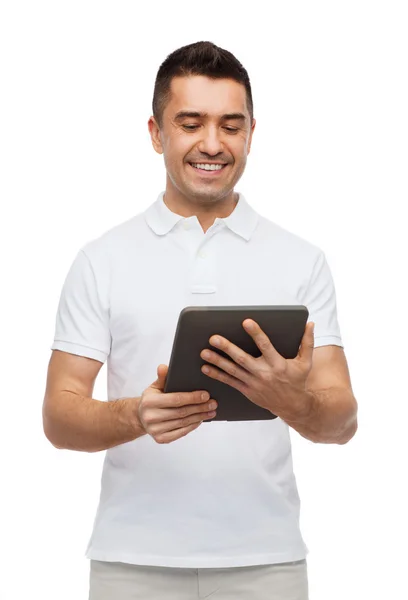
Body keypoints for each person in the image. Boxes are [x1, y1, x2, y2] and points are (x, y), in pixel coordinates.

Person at [42, 41, 358, 600]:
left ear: (251, 133)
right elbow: (59, 417)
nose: (212, 144)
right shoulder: (102, 259)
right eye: (191, 123)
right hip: (131, 564)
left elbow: (343, 421)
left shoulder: (301, 260)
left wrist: (294, 402)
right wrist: (136, 414)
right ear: (156, 133)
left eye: (230, 126)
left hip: (268, 565)